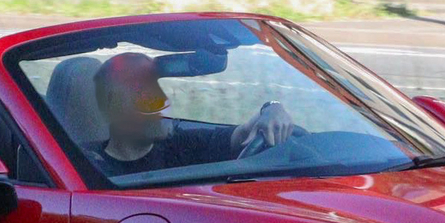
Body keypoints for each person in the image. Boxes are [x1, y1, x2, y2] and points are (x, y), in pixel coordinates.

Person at [87, 50, 299, 177]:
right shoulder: (90, 166)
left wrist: (272, 108)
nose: (161, 99)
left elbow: (244, 134)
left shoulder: (181, 144)